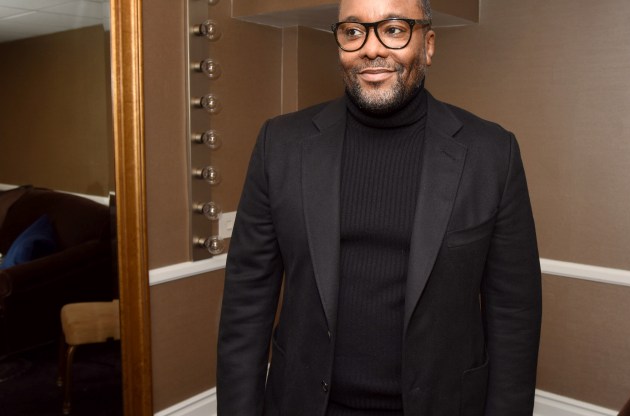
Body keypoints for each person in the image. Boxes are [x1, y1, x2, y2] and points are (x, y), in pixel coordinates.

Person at [216, 0, 542, 414]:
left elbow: (514, 315)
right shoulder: (280, 145)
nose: (370, 49)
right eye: (353, 32)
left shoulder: (491, 154)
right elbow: (246, 303)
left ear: (428, 45)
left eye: (393, 29)